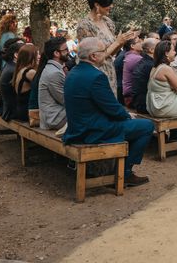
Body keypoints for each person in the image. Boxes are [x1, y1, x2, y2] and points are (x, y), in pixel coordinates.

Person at [63, 37, 153, 187]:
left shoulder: (73, 72)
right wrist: (126, 115)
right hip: (93, 131)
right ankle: (125, 173)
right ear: (93, 56)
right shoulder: (96, 76)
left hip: (76, 128)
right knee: (146, 126)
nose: (107, 53)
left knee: (132, 124)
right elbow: (112, 108)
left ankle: (119, 169)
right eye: (103, 51)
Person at [76, 0, 136, 97]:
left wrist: (122, 41)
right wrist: (117, 42)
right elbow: (91, 56)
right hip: (94, 71)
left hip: (109, 68)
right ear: (97, 5)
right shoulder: (84, 26)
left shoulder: (108, 22)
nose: (111, 6)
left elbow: (112, 52)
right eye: (108, 4)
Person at [37, 37, 69, 130]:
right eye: (65, 49)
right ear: (56, 53)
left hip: (57, 115)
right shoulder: (54, 73)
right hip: (55, 119)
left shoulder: (55, 69)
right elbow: (64, 100)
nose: (68, 51)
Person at [12, 43, 38, 122]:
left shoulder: (20, 70)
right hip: (27, 113)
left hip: (20, 110)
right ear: (30, 57)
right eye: (37, 54)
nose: (39, 57)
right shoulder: (30, 72)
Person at [130, 38, 157, 113]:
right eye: (159, 46)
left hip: (139, 103)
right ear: (152, 50)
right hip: (145, 105)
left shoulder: (145, 61)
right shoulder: (150, 65)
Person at [122, 36, 143, 108]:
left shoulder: (129, 56)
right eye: (139, 42)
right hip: (132, 97)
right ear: (132, 46)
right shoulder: (136, 58)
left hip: (128, 95)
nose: (142, 43)